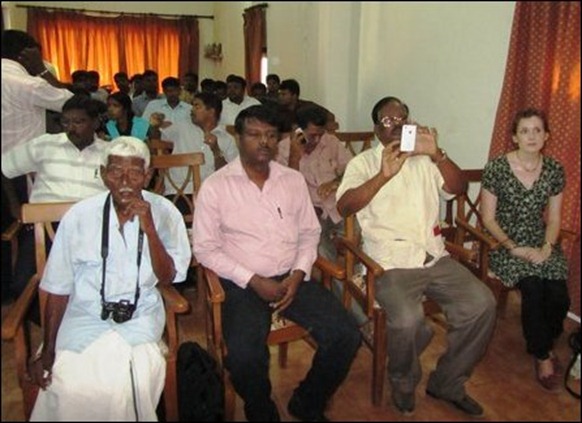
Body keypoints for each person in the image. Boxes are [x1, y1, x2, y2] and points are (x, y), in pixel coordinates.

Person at [193, 105, 361, 421]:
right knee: (243, 356)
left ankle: (307, 401)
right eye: (255, 135)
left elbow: (310, 232)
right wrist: (253, 280)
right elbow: (204, 249)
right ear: (239, 138)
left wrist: (299, 273)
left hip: (291, 277)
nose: (264, 142)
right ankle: (260, 407)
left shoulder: (292, 181)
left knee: (346, 334)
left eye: (271, 135)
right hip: (242, 283)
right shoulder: (216, 186)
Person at [336, 96, 496, 417]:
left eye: (402, 119)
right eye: (387, 120)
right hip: (391, 264)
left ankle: (448, 382)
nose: (395, 125)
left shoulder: (425, 160)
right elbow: (345, 207)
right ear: (375, 127)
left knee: (483, 304)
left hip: (434, 257)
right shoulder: (364, 163)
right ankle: (403, 381)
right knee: (408, 320)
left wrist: (436, 153)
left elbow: (459, 188)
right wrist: (383, 175)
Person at [27, 136, 191, 421]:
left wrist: (150, 230)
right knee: (66, 379)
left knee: (130, 379)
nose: (125, 180)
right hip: (84, 316)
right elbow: (58, 287)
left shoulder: (166, 214)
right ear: (103, 174)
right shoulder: (79, 215)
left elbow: (168, 278)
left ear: (149, 175)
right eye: (116, 171)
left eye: (135, 172)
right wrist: (48, 348)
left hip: (139, 318)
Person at [480, 108, 570, 392]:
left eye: (537, 131)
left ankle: (543, 338)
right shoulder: (497, 168)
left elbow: (554, 218)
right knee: (532, 289)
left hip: (540, 240)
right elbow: (488, 218)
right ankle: (542, 355)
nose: (531, 136)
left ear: (546, 136)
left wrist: (547, 246)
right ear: (514, 137)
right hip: (505, 242)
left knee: (559, 297)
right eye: (524, 131)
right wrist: (513, 247)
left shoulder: (554, 170)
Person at [2, 95, 110, 303]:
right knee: (25, 284)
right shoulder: (44, 145)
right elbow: (4, 169)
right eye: (66, 122)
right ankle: (52, 323)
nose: (71, 128)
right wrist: (16, 207)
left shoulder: (108, 152)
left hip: (93, 228)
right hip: (46, 227)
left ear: (95, 122)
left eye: (79, 122)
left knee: (99, 281)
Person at [1, 29, 74, 300]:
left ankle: (8, 293)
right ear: (26, 55)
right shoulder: (27, 83)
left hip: (7, 170)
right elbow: (73, 103)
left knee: (7, 234)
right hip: (20, 170)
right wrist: (41, 71)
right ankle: (32, 295)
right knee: (33, 235)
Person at [276, 104, 353, 261]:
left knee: (359, 239)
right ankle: (332, 284)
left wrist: (335, 182)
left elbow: (352, 170)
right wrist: (295, 157)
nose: (317, 140)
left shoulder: (331, 141)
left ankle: (357, 283)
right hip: (308, 213)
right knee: (322, 251)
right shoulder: (282, 150)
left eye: (320, 134)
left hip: (336, 207)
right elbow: (285, 191)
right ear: (298, 129)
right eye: (312, 135)